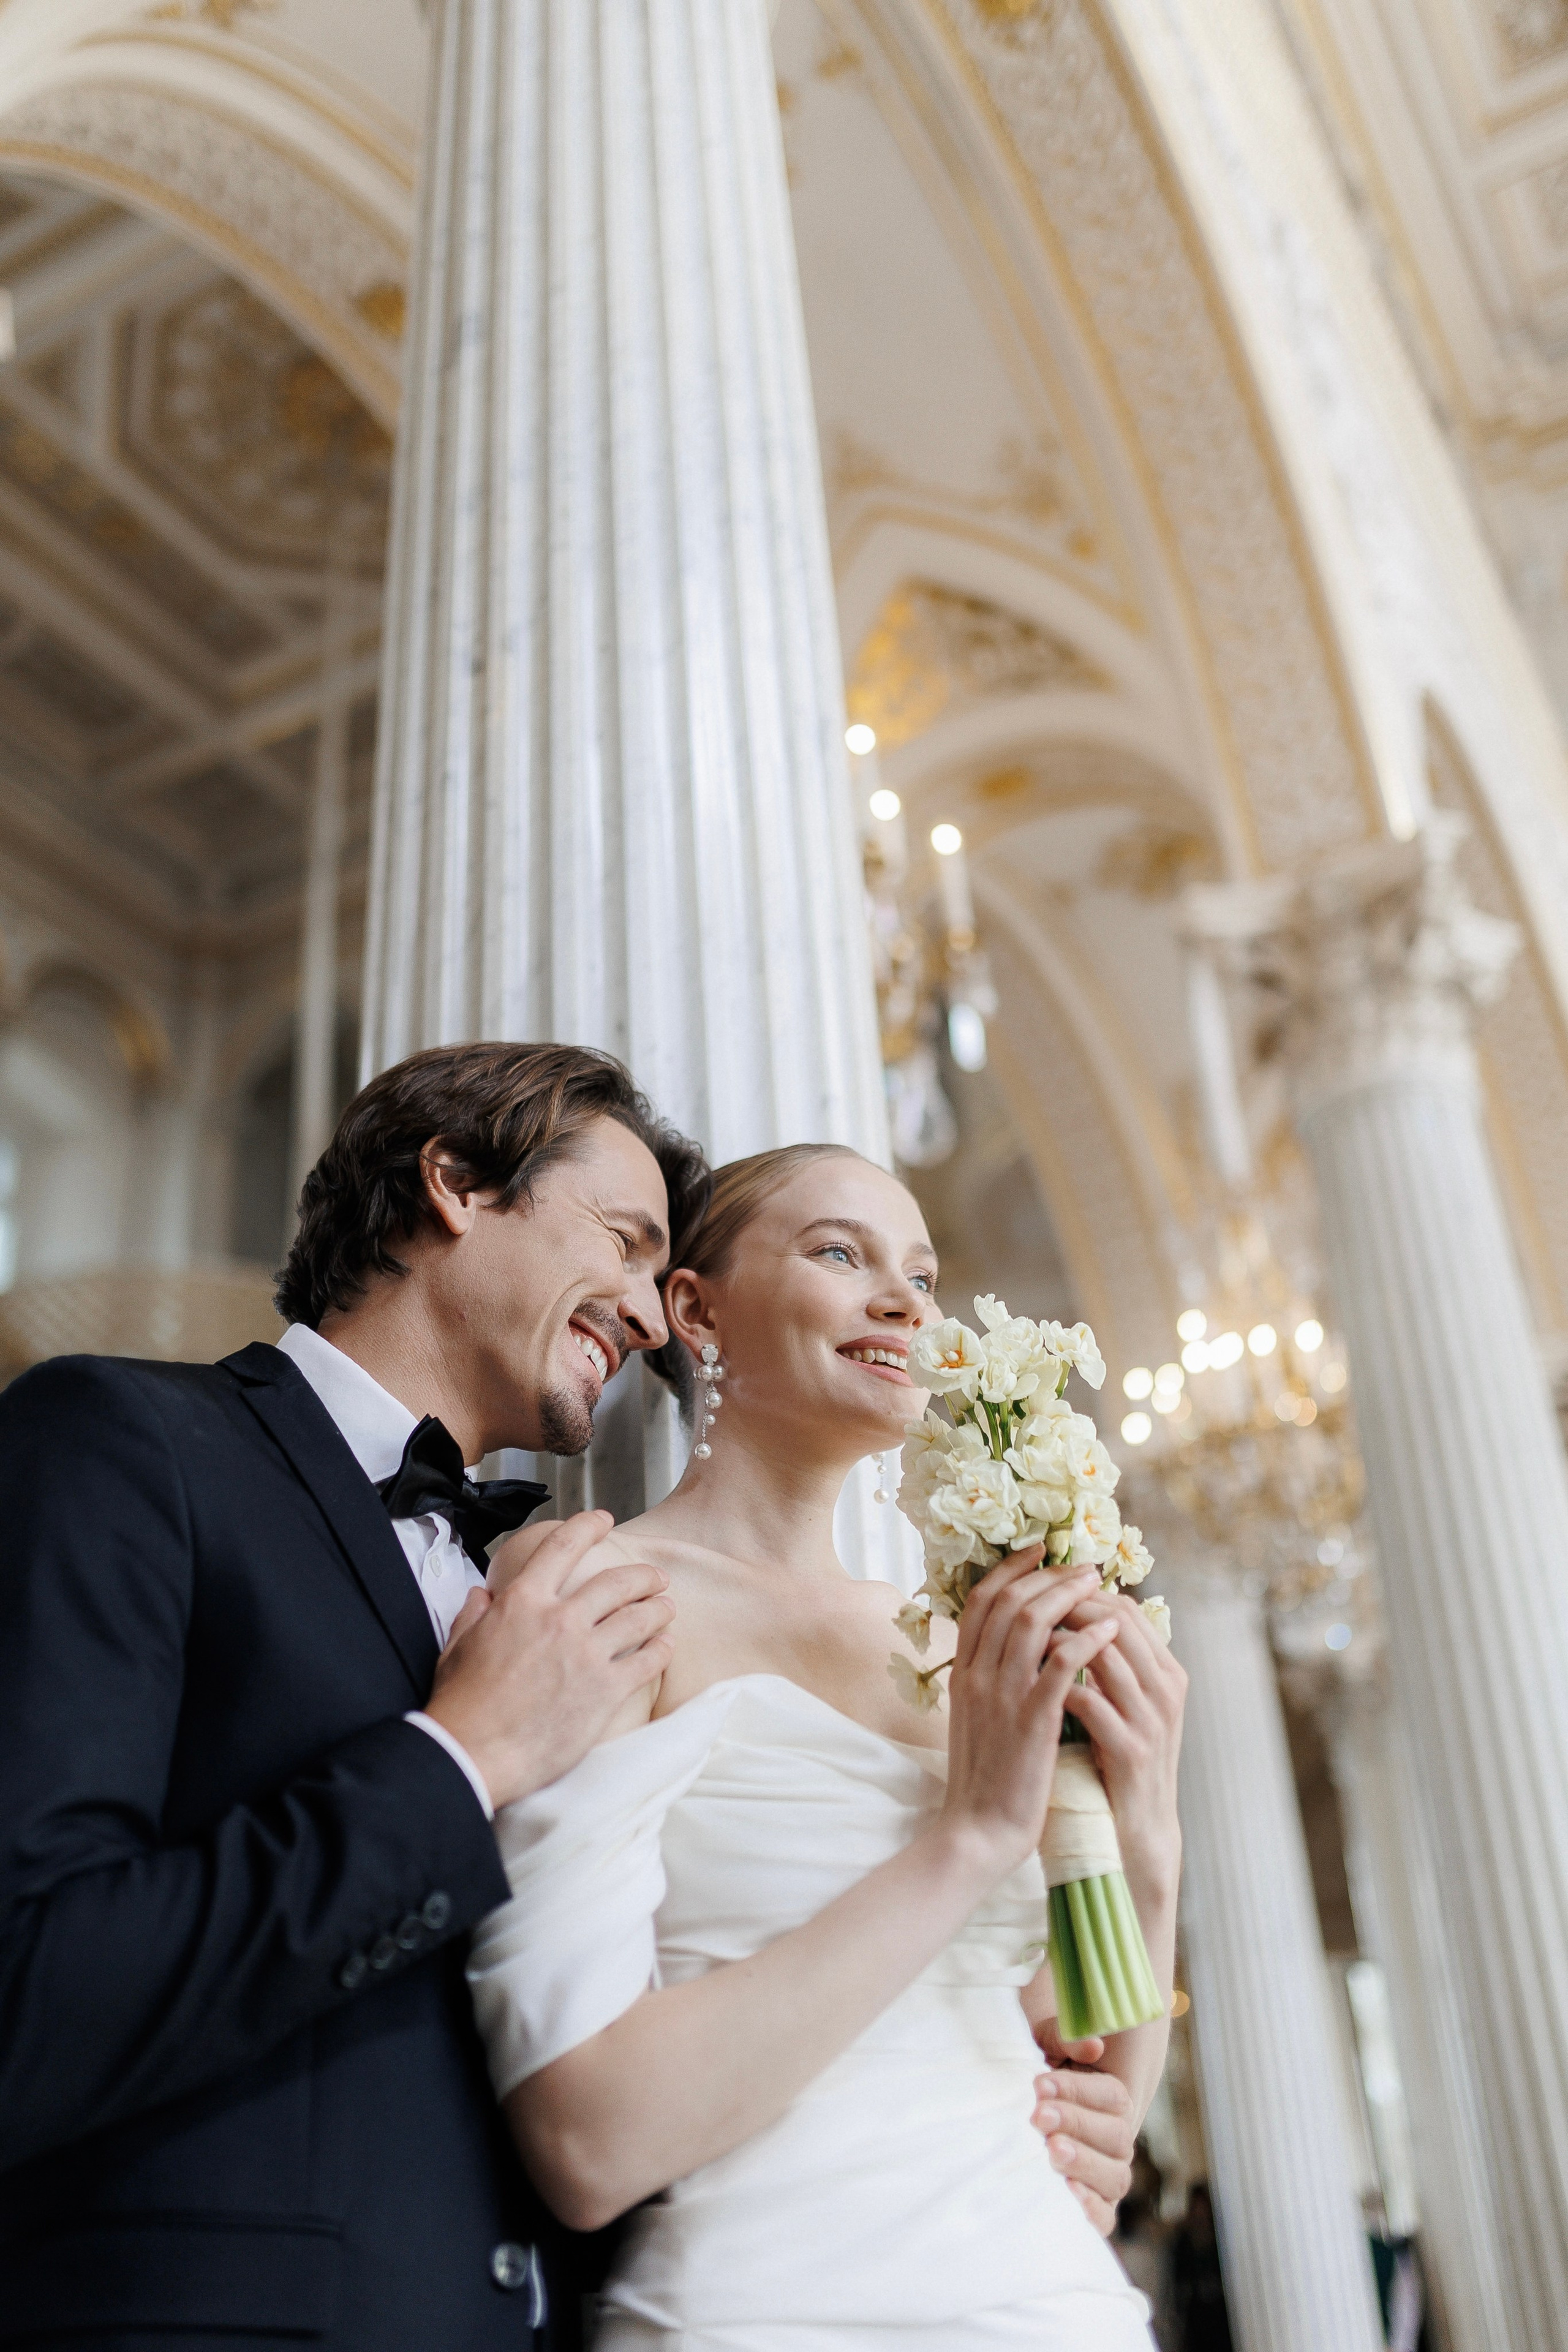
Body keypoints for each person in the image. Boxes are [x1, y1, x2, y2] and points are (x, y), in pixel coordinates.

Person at [0, 1042, 702, 2351]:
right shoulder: (117, 1440)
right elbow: (32, 1989)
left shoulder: (538, 1594)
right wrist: (462, 1757)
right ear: (454, 1183)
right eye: (622, 1241)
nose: (652, 1317)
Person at [467, 1142, 1188, 2348]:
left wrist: (1149, 1827)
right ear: (695, 1311)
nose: (904, 1300)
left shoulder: (955, 1645)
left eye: (919, 1270)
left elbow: (1082, 2071)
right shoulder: (600, 1597)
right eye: (839, 1253)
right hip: (772, 2306)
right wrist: (970, 1836)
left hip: (1050, 2304)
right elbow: (589, 2145)